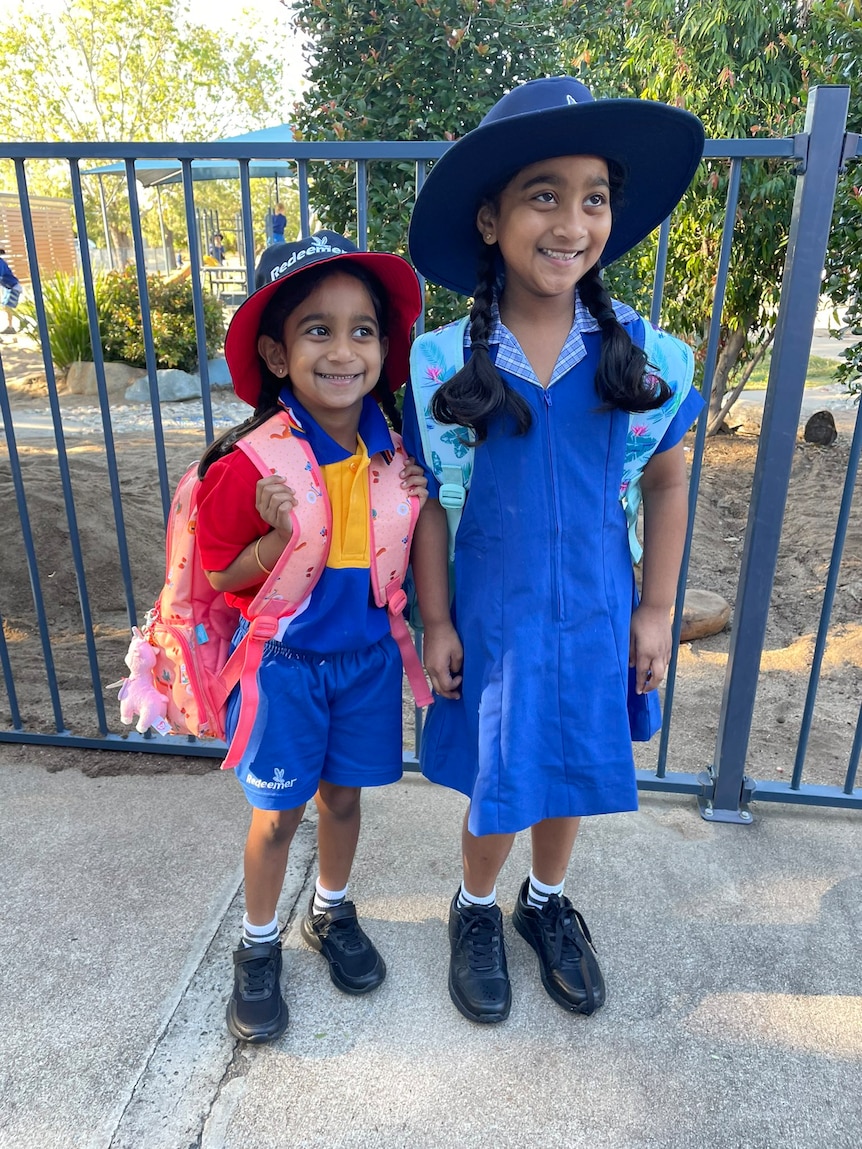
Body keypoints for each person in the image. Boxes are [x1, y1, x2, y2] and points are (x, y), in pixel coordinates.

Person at [404, 76, 706, 1024]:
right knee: (502, 774)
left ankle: (546, 903)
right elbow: (431, 506)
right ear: (491, 219)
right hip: (494, 617)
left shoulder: (644, 353)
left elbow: (664, 477)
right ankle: (477, 905)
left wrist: (654, 608)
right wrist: (438, 618)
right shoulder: (446, 360)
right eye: (544, 194)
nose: (572, 221)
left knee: (574, 756)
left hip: (595, 610)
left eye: (594, 197)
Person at [196, 230, 427, 1043]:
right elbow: (221, 576)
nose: (343, 348)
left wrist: (416, 490)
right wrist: (269, 536)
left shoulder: (393, 447)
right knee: (276, 815)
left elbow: (401, 539)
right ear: (277, 352)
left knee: (344, 797)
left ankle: (328, 910)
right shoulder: (246, 466)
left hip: (367, 663)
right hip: (286, 670)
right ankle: (258, 943)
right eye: (317, 330)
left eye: (363, 329)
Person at [0, 247, 22, 335]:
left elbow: (0, 276)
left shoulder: (0, 262)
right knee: (6, 306)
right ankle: (11, 326)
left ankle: (13, 326)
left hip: (13, 287)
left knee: (8, 306)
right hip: (9, 287)